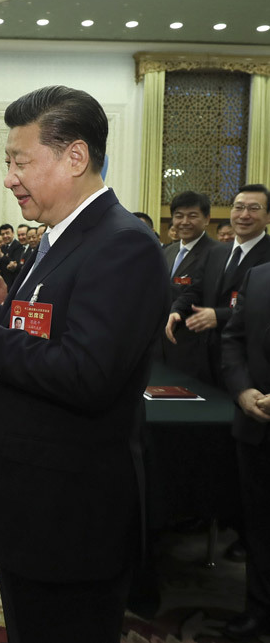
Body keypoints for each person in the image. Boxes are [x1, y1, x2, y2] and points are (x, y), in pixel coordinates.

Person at [0, 86, 168, 643]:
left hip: (67, 519)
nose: (9, 178)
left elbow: (86, 373)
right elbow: (49, 332)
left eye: (20, 162)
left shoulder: (123, 245)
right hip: (31, 506)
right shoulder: (62, 240)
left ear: (75, 157)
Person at [166, 185, 270, 386]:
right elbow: (196, 289)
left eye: (254, 208)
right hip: (206, 361)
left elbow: (263, 313)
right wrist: (177, 309)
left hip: (249, 366)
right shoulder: (217, 252)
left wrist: (219, 315)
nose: (244, 215)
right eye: (239, 207)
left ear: (268, 216)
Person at [221, 263, 270, 640]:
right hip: (256, 425)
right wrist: (241, 390)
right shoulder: (258, 276)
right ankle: (260, 608)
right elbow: (233, 339)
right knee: (260, 526)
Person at [160, 190, 221, 374]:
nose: (184, 222)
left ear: (207, 219)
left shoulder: (217, 253)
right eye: (179, 216)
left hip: (194, 345)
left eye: (192, 216)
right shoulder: (168, 251)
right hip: (161, 342)